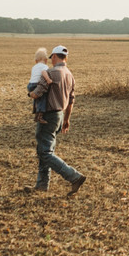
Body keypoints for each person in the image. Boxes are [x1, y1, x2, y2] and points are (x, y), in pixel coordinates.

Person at [24, 45, 86, 195]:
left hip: (48, 115)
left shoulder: (51, 72)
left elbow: (37, 93)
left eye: (51, 57)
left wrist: (30, 94)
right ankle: (42, 185)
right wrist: (66, 120)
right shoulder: (70, 75)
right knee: (45, 150)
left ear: (54, 57)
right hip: (60, 116)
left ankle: (74, 176)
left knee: (44, 152)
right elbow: (71, 100)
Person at [27, 48, 53, 123]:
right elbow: (44, 72)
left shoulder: (34, 67)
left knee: (37, 99)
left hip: (30, 85)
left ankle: (35, 111)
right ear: (46, 60)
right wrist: (48, 79)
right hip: (36, 85)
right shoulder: (44, 66)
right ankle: (39, 116)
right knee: (42, 98)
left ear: (36, 61)